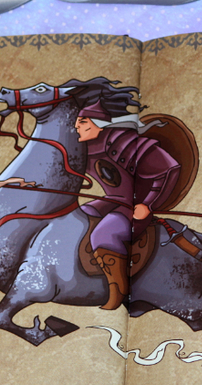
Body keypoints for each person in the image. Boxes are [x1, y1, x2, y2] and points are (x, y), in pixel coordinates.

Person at [75, 101, 180, 310]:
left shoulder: (125, 142)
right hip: (112, 199)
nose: (76, 126)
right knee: (77, 217)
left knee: (104, 234)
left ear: (98, 124)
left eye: (82, 121)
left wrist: (148, 205)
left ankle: (118, 289)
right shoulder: (85, 147)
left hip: (133, 206)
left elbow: (169, 169)